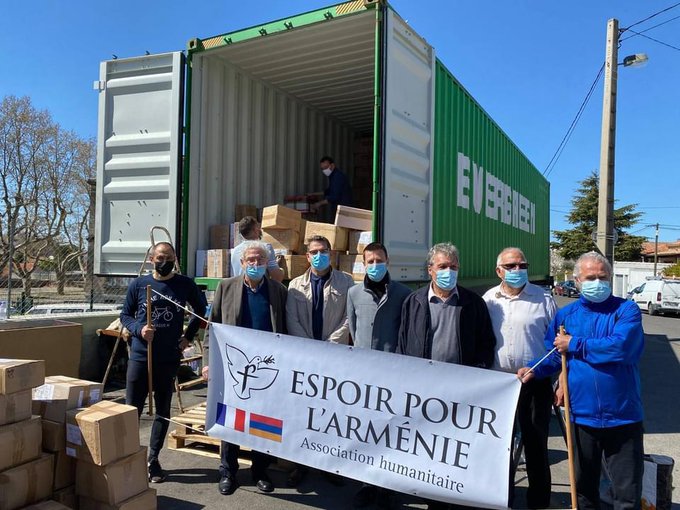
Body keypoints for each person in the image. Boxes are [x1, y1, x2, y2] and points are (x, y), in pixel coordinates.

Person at [518, 251, 644, 510]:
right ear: (576, 281)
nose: (597, 283)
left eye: (603, 277)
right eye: (590, 278)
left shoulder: (627, 309)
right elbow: (554, 355)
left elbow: (622, 348)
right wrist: (534, 369)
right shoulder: (567, 316)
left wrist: (574, 343)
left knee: (627, 495)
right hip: (581, 417)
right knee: (584, 492)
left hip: (623, 417)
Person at [202, 241, 288, 496]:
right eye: (250, 260)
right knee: (231, 419)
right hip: (233, 368)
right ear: (241, 263)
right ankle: (228, 471)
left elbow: (287, 331)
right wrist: (207, 363)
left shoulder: (278, 291)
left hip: (265, 370)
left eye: (260, 260)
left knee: (262, 421)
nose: (255, 264)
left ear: (267, 263)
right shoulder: (226, 288)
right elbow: (212, 326)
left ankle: (260, 471)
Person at [120, 242, 207, 484]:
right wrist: (139, 329)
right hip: (140, 355)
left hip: (168, 357)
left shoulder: (185, 284)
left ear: (175, 259)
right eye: (159, 257)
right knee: (132, 409)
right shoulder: (139, 285)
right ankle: (128, 456)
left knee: (162, 410)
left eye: (168, 257)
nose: (163, 261)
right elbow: (124, 315)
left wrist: (187, 338)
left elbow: (202, 312)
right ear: (151, 259)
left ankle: (153, 459)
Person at [483, 247, 556, 509]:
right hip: (500, 385)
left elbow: (555, 344)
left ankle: (538, 501)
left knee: (536, 445)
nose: (517, 270)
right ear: (498, 270)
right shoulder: (489, 299)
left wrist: (542, 371)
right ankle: (501, 497)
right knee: (498, 447)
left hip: (535, 383)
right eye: (511, 266)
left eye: (521, 265)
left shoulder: (543, 299)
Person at [285, 234, 355, 486]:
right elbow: (291, 320)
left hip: (333, 357)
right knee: (303, 413)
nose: (319, 255)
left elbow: (349, 318)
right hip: (305, 359)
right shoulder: (294, 285)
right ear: (307, 256)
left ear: (331, 253)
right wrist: (309, 349)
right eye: (314, 251)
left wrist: (329, 347)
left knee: (331, 413)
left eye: (323, 250)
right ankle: (300, 463)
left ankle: (330, 464)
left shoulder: (346, 282)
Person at [346, 241, 411, 508]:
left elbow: (405, 332)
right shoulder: (353, 293)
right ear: (363, 263)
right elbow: (353, 328)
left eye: (379, 260)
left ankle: (387, 484)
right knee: (365, 429)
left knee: (389, 429)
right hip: (364, 374)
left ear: (388, 262)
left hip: (391, 373)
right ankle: (366, 482)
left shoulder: (403, 293)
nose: (375, 266)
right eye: (370, 261)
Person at [398, 242, 496, 367]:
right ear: (430, 270)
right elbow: (403, 341)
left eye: (453, 267)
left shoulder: (474, 303)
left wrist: (479, 367)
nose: (448, 272)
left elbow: (486, 342)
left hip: (460, 378)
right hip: (422, 376)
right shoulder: (414, 302)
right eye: (442, 266)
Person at [230, 216, 284, 282]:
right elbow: (276, 277)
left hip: (239, 289)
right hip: (259, 290)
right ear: (255, 230)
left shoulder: (235, 251)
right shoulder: (265, 248)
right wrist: (281, 270)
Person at [310, 156, 353, 222]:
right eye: (322, 169)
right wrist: (313, 194)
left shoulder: (337, 177)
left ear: (332, 165)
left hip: (344, 209)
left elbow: (334, 197)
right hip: (340, 208)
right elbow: (329, 191)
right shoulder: (332, 176)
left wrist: (318, 204)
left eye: (326, 168)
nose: (324, 170)